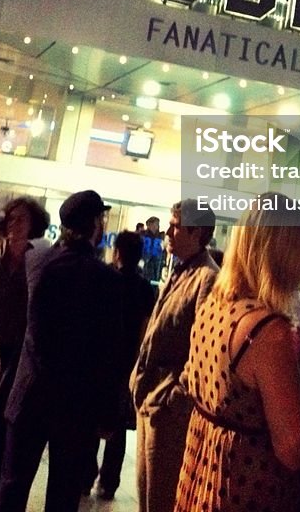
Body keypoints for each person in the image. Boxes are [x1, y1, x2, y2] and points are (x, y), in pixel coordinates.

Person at [174, 195, 300, 512]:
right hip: (244, 483)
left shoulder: (216, 303)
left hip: (200, 469)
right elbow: (292, 448)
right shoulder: (269, 331)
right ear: (282, 254)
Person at [0, 190, 125, 512]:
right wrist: (108, 411)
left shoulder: (37, 261)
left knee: (12, 487)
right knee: (63, 495)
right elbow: (110, 353)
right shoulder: (106, 279)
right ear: (96, 224)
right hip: (76, 406)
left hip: (29, 395)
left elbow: (35, 334)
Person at [131, 198, 219, 512]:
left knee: (162, 496)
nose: (168, 232)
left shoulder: (207, 278)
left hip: (167, 405)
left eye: (176, 226)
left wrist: (175, 395)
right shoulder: (179, 269)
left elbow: (203, 348)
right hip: (150, 395)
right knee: (146, 489)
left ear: (197, 233)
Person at [0, 196, 50, 512]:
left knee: (0, 438)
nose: (14, 224)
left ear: (34, 224)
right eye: (11, 218)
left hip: (18, 358)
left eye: (21, 219)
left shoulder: (40, 263)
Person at [96, 230, 157, 500]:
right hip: (126, 361)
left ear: (117, 252)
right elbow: (145, 329)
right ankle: (109, 482)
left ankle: (85, 475)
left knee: (91, 416)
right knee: (118, 424)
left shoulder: (105, 278)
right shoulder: (146, 289)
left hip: (100, 358)